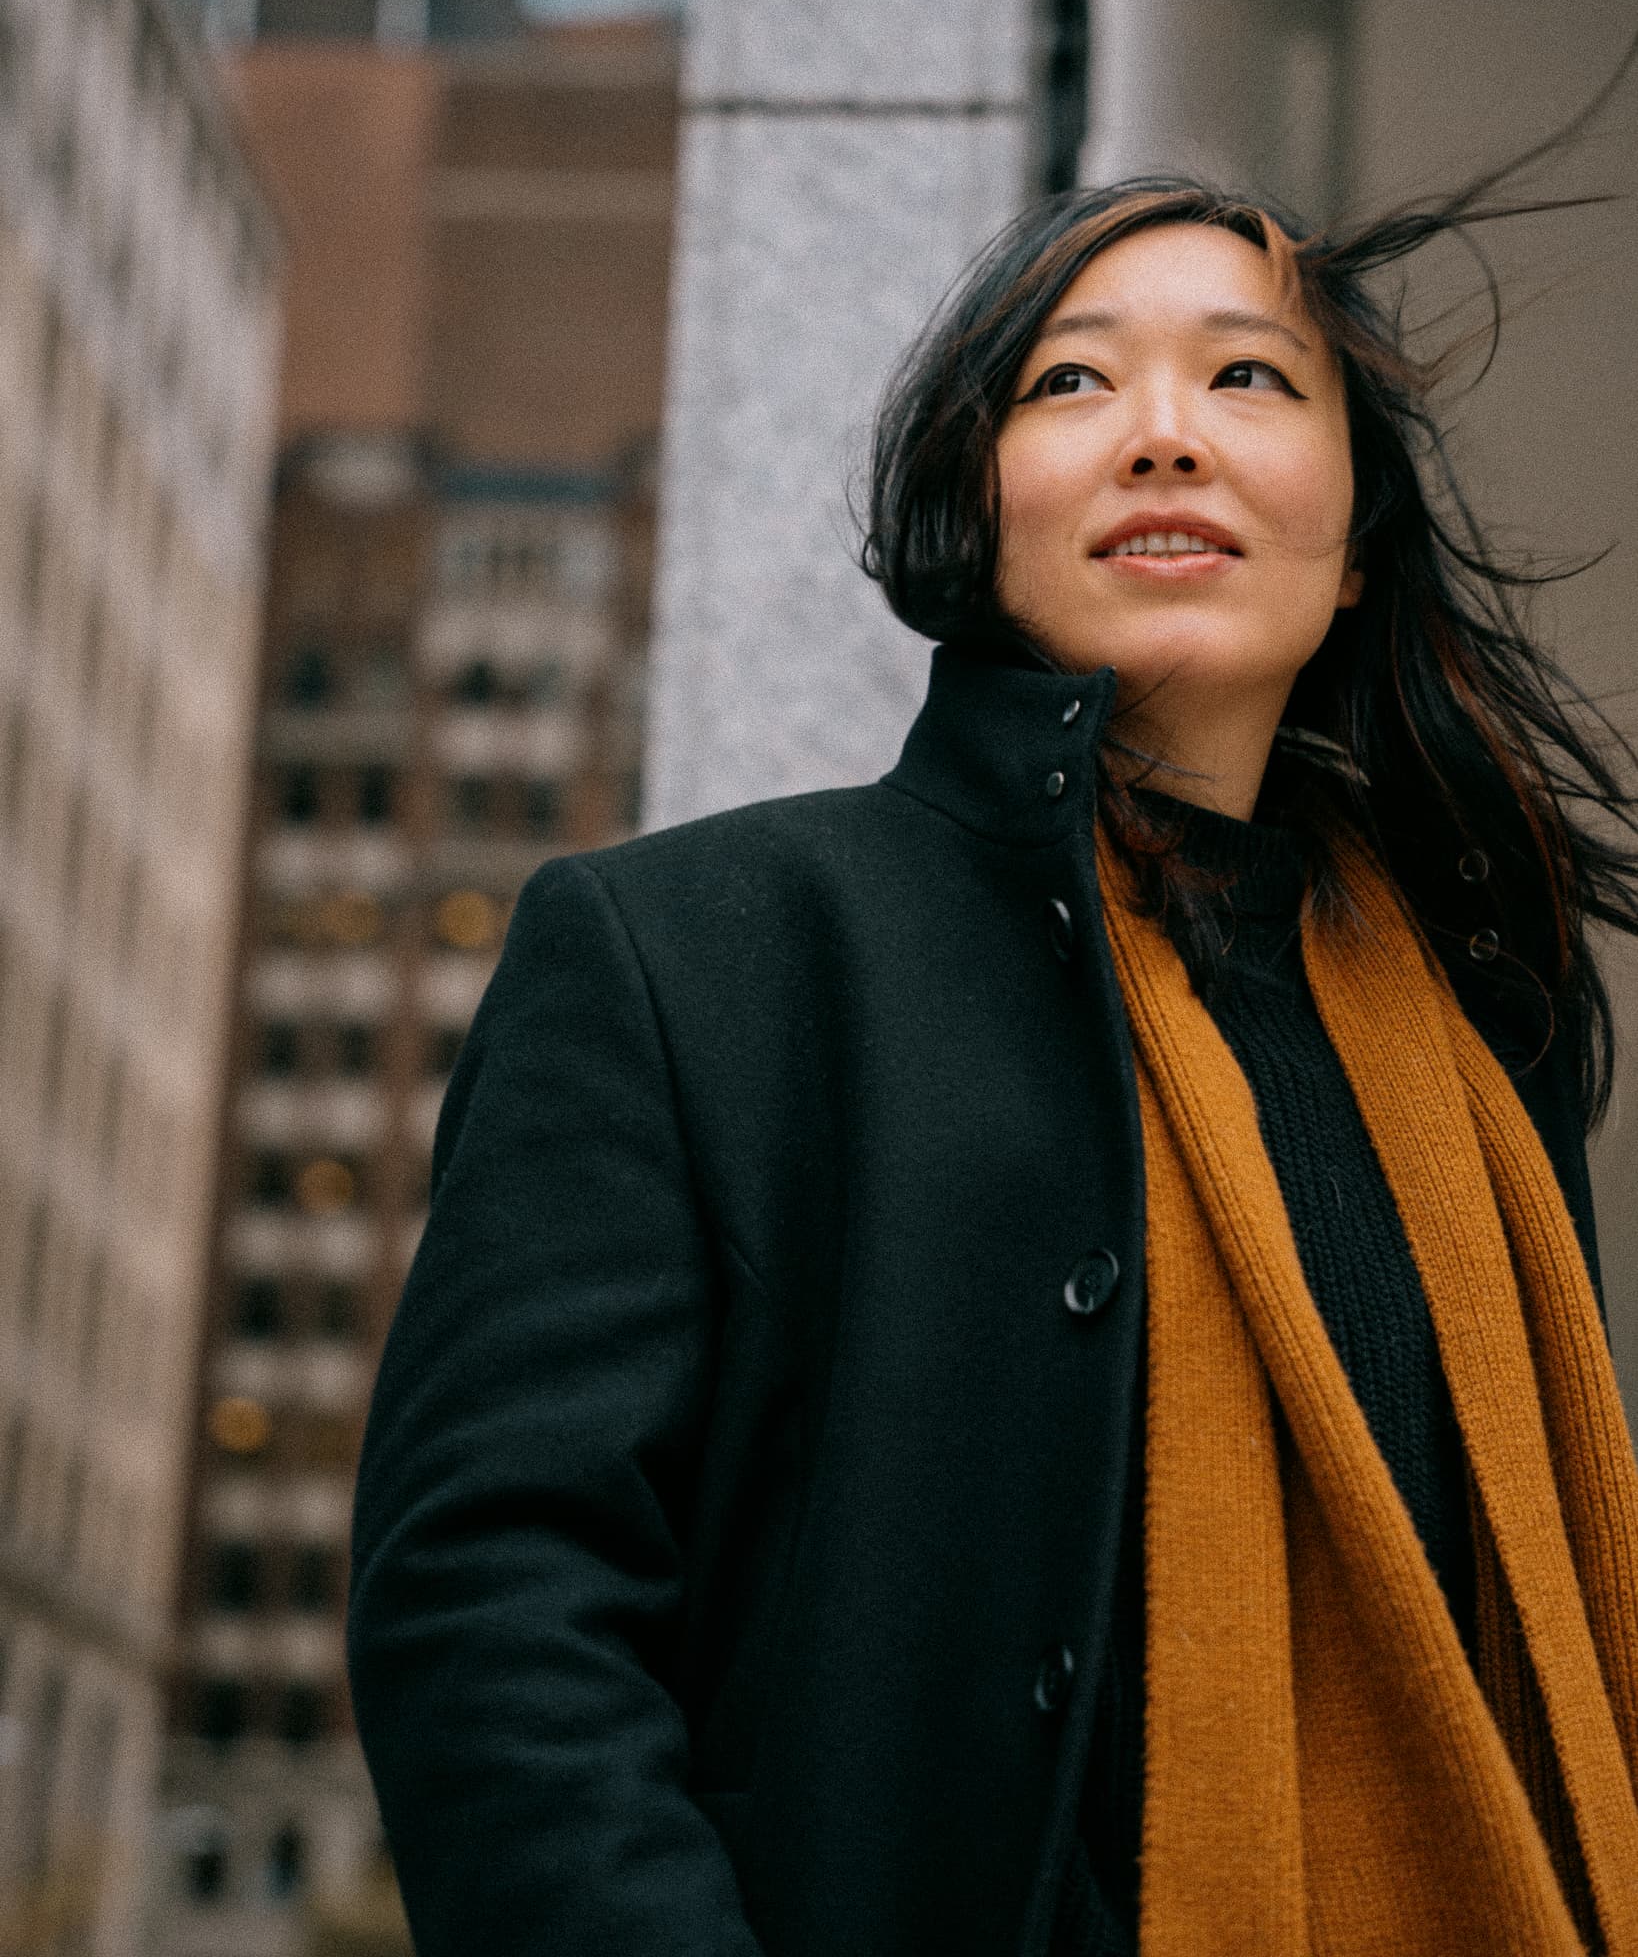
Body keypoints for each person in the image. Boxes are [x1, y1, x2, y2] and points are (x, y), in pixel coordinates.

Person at [346, 165, 1638, 1956]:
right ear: (978, 514)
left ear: (1352, 555)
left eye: (1249, 378)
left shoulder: (1488, 1029)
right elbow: (494, 1610)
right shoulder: (699, 954)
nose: (1166, 436)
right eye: (1072, 382)